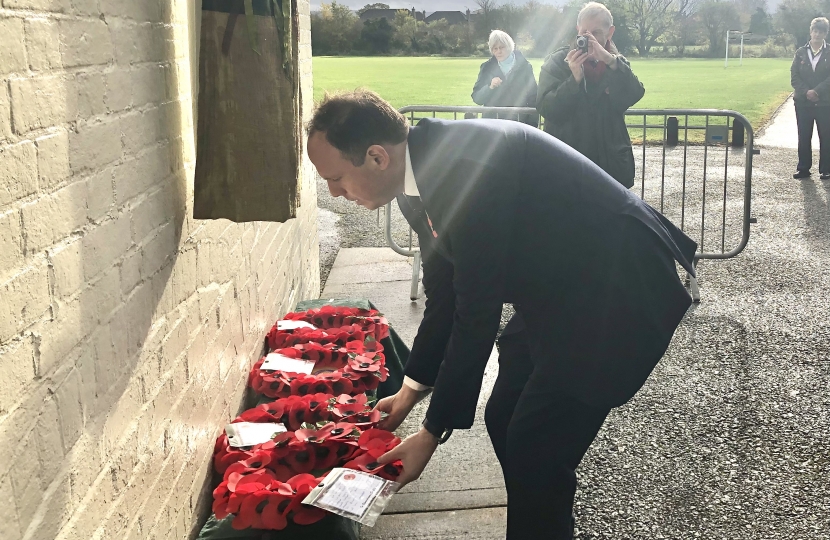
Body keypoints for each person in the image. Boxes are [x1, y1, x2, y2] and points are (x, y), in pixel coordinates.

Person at [306, 90, 697, 539]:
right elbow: (446, 293)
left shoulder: (463, 170)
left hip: (618, 289)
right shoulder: (413, 178)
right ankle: (542, 519)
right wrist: (412, 390)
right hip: (564, 285)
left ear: (376, 157)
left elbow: (478, 308)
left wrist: (431, 432)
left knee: (536, 445)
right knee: (506, 418)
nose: (334, 192)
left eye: (335, 178)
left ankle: (540, 521)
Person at [537, 2, 644, 188]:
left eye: (596, 33)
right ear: (577, 29)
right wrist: (574, 80)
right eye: (584, 32)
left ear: (610, 32)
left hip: (610, 164)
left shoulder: (617, 63)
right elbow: (546, 108)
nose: (589, 38)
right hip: (567, 161)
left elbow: (635, 94)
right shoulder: (557, 62)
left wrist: (611, 62)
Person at [471, 30, 539, 126]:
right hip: (493, 125)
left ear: (509, 46)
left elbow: (534, 98)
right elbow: (477, 98)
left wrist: (532, 126)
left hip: (519, 124)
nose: (498, 51)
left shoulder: (525, 67)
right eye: (495, 48)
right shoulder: (486, 68)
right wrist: (489, 87)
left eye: (501, 47)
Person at [791, 16, 830, 180]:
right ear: (810, 31)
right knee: (804, 135)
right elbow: (794, 77)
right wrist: (807, 92)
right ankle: (803, 168)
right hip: (803, 102)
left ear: (825, 34)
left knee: (826, 136)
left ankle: (826, 169)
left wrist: (817, 91)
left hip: (824, 103)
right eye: (815, 31)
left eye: (821, 31)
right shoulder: (800, 52)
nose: (817, 34)